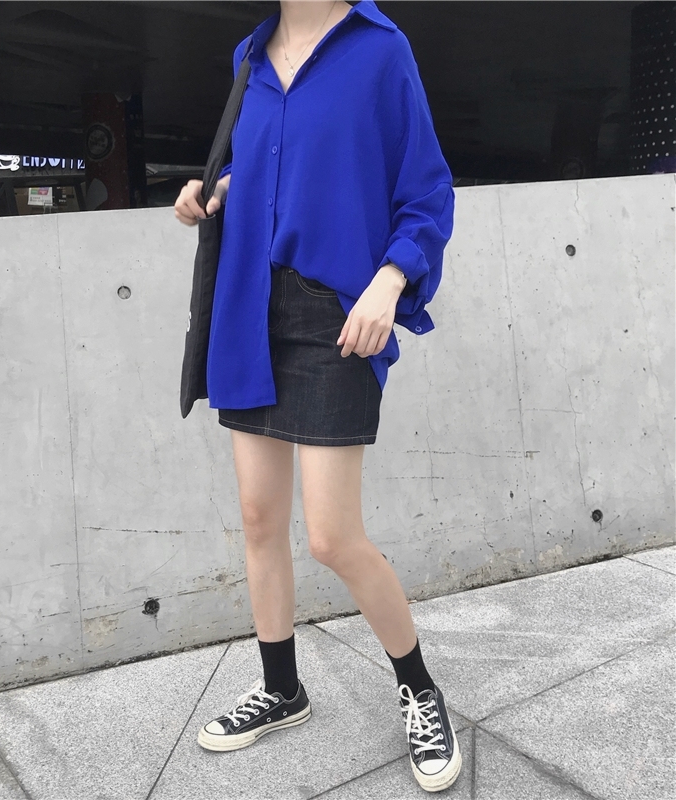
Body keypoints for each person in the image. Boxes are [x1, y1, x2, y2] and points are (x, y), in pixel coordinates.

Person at [174, 0, 458, 792]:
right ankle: (281, 688)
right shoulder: (249, 56)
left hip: (333, 314)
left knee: (333, 537)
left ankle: (420, 690)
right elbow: (275, 168)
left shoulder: (378, 50)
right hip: (246, 309)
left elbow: (426, 190)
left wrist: (389, 281)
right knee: (259, 519)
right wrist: (213, 190)